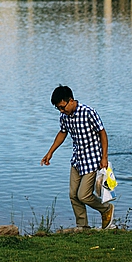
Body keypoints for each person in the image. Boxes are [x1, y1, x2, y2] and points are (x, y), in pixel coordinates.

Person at [41, 84, 114, 231]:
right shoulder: (65, 116)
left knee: (84, 195)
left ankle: (106, 208)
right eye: (58, 108)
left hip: (93, 161)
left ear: (71, 100)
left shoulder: (88, 112)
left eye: (63, 107)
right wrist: (50, 152)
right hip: (77, 160)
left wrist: (104, 157)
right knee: (73, 195)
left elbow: (102, 133)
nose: (61, 111)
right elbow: (62, 133)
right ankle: (83, 226)